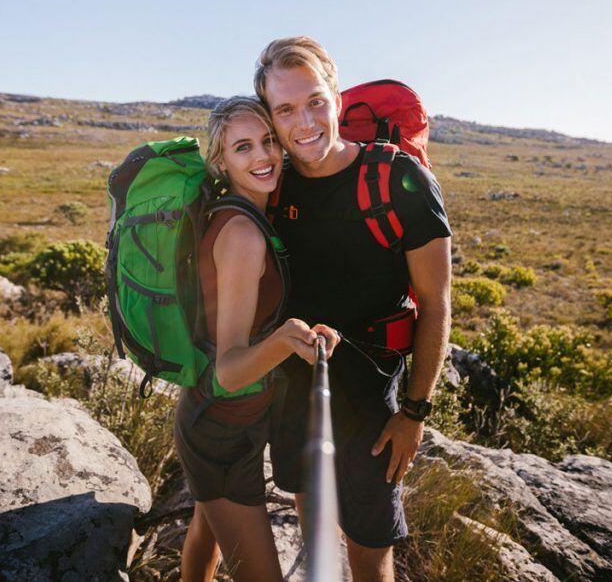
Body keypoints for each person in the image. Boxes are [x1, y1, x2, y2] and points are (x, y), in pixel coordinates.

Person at [255, 38, 452, 581]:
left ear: (337, 96)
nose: (305, 122)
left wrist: (413, 414)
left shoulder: (400, 180)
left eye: (315, 100)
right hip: (291, 393)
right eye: (286, 109)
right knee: (311, 519)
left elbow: (436, 302)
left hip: (373, 408)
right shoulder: (272, 183)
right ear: (271, 116)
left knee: (369, 551)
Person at [173, 96, 339, 582]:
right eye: (243, 147)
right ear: (221, 162)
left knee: (207, 534)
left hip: (231, 421)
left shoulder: (245, 215)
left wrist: (297, 332)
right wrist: (286, 340)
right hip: (219, 431)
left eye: (268, 141)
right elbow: (228, 368)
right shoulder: (243, 233)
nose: (264, 156)